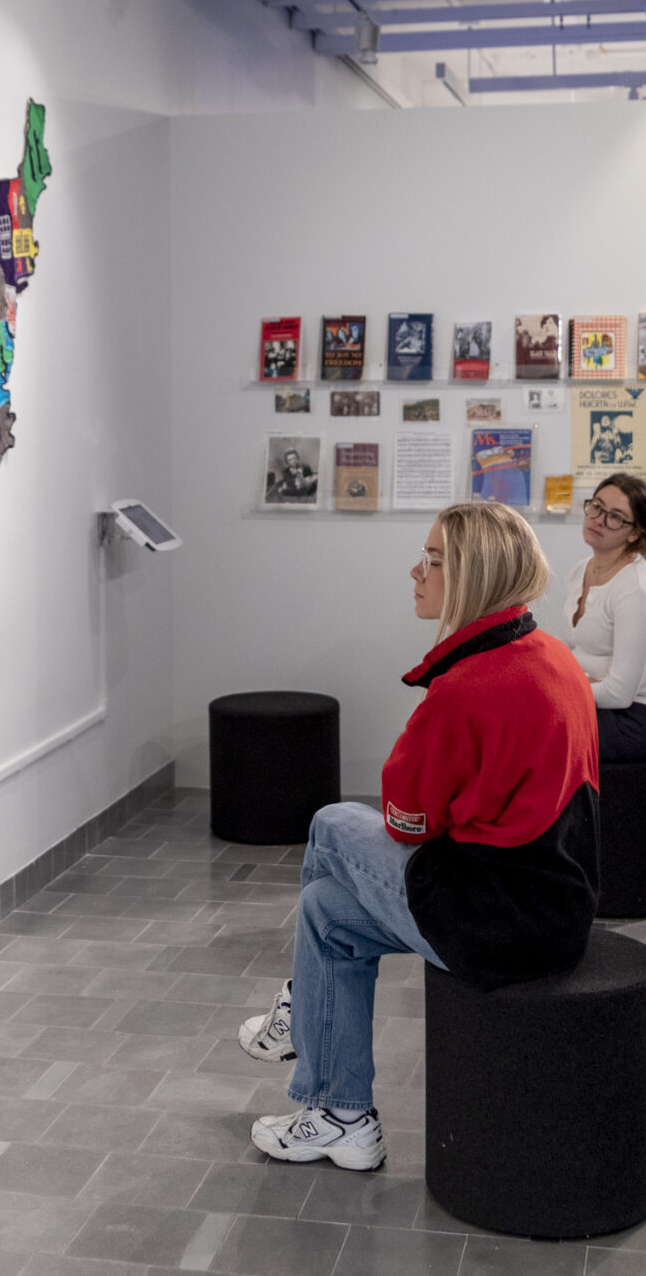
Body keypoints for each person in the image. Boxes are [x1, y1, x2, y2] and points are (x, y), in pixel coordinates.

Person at [235, 501, 599, 1169]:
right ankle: (342, 1115)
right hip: (553, 908)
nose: (415, 571)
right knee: (324, 913)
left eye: (432, 559)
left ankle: (296, 1011)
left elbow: (410, 816)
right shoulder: (550, 655)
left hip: (492, 919)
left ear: (470, 575)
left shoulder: (464, 687)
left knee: (330, 822)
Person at [564, 471, 646, 761]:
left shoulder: (637, 588)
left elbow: (619, 694)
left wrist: (564, 689)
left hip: (642, 719)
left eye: (615, 517)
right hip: (593, 700)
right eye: (597, 506)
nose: (599, 519)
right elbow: (572, 650)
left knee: (537, 733)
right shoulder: (581, 569)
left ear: (635, 532)